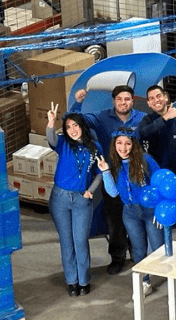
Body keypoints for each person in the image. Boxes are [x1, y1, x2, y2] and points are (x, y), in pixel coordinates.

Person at [71, 85, 146, 275]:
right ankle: (118, 257)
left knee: (137, 219)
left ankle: (139, 257)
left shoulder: (141, 119)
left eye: (127, 99)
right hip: (111, 178)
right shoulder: (103, 117)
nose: (123, 102)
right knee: (115, 221)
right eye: (119, 99)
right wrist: (78, 103)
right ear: (114, 101)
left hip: (136, 179)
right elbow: (77, 121)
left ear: (133, 101)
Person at [98, 128, 163, 296]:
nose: (123, 148)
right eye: (119, 143)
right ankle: (144, 282)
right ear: (114, 145)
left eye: (127, 143)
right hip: (130, 213)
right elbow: (113, 193)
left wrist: (160, 210)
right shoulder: (115, 164)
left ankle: (173, 282)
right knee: (139, 250)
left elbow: (161, 183)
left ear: (133, 145)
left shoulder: (146, 160)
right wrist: (105, 171)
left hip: (151, 211)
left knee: (159, 249)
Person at [46, 103, 102, 297]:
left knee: (80, 241)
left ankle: (84, 280)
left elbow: (100, 173)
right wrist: (51, 123)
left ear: (82, 126)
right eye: (68, 127)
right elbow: (51, 138)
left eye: (75, 125)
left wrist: (91, 191)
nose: (72, 130)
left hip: (82, 201)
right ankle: (71, 281)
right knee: (66, 242)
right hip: (60, 199)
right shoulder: (63, 143)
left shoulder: (94, 148)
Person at [139, 85, 176, 241]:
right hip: (159, 185)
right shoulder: (147, 120)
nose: (156, 100)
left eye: (159, 96)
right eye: (152, 98)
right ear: (148, 103)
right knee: (161, 224)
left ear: (166, 97)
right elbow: (143, 133)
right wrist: (165, 118)